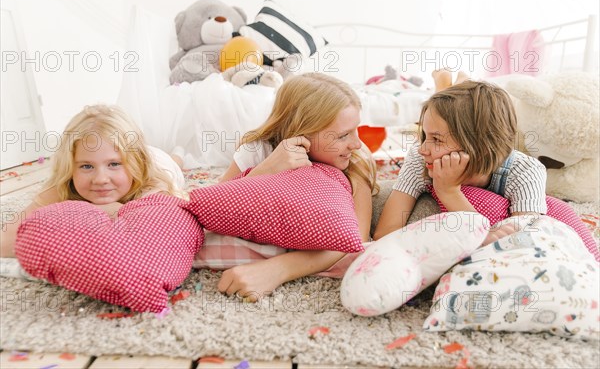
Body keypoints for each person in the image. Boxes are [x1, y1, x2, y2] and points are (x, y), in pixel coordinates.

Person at [217, 72, 378, 300]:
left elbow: (354, 241)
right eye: (343, 135)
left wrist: (276, 270)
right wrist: (267, 169)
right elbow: (216, 205)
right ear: (302, 132)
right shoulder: (259, 150)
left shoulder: (357, 159)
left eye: (356, 129)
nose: (357, 143)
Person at [374, 69, 548, 242]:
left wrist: (449, 193)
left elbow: (525, 243)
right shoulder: (420, 158)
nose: (422, 149)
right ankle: (447, 84)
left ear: (481, 146)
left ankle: (451, 82)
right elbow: (385, 232)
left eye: (437, 139)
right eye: (425, 135)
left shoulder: (526, 171)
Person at [1, 104, 186, 258]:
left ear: (137, 164)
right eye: (86, 166)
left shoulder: (154, 187)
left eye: (114, 164)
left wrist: (116, 211)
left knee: (173, 161)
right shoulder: (63, 187)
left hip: (160, 161)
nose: (100, 179)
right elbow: (5, 242)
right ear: (70, 168)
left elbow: (164, 240)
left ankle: (179, 154)